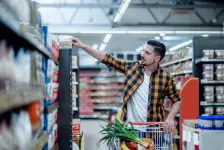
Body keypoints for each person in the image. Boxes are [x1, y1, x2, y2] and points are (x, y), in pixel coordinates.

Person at [73, 38, 181, 133]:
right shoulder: (132, 68)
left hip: (153, 130)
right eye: (143, 50)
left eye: (147, 53)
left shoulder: (166, 78)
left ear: (157, 58)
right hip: (130, 129)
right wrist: (83, 46)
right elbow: (108, 59)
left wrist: (170, 118)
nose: (142, 54)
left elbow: (177, 100)